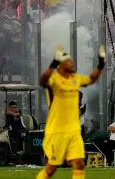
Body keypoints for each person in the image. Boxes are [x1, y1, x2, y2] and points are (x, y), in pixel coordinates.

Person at [36, 44, 106, 179]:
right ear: (61, 65)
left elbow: (91, 79)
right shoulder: (54, 79)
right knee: (51, 168)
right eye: (69, 61)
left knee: (79, 164)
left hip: (73, 130)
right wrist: (53, 63)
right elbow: (42, 81)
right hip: (57, 130)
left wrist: (101, 64)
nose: (72, 63)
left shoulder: (76, 78)